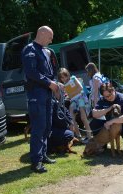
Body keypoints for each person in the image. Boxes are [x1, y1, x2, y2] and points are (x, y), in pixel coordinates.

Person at [22, 26, 58, 173]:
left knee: (47, 126)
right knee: (38, 127)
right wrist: (49, 83)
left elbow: (51, 72)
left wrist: (55, 84)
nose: (51, 40)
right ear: (41, 33)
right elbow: (31, 72)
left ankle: (43, 155)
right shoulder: (29, 49)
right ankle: (36, 161)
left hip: (47, 93)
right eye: (50, 37)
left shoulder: (46, 51)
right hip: (36, 94)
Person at [90, 82, 123, 154]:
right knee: (93, 123)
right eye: (106, 97)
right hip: (108, 124)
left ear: (113, 90)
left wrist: (112, 121)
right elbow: (94, 114)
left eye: (110, 94)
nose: (109, 98)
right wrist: (109, 108)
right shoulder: (102, 100)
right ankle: (103, 143)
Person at [57, 68, 92, 143]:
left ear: (67, 75)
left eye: (65, 76)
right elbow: (68, 96)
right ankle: (78, 136)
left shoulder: (73, 78)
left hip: (81, 98)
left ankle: (89, 137)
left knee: (83, 118)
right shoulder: (64, 86)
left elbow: (80, 88)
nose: (64, 79)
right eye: (62, 78)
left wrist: (71, 94)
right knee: (71, 118)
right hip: (73, 101)